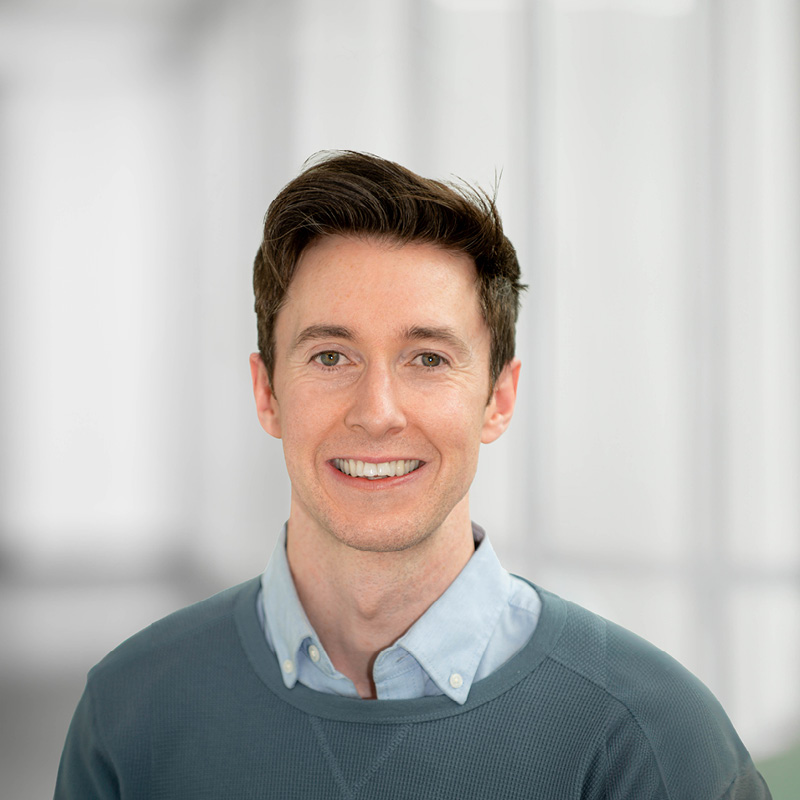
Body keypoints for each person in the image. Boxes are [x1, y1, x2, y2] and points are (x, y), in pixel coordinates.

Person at [55, 152, 770, 799]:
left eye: (427, 358)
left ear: (498, 398)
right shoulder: (130, 711)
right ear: (267, 392)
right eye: (331, 356)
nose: (377, 413)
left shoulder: (654, 739)